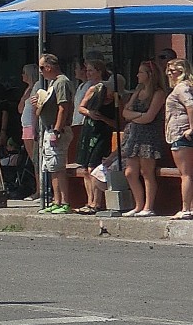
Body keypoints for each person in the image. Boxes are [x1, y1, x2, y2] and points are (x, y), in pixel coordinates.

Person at [120, 59, 169, 217]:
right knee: (130, 172)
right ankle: (138, 205)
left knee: (147, 172)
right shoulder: (138, 91)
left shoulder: (158, 93)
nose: (137, 75)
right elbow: (125, 113)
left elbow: (150, 117)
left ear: (150, 74)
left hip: (149, 135)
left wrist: (135, 116)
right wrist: (138, 116)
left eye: (141, 72)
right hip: (134, 135)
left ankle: (148, 207)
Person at [74, 58, 118, 214]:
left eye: (91, 70)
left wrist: (103, 118)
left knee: (95, 166)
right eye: (87, 70)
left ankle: (97, 203)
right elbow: (81, 108)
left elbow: (117, 121)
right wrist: (89, 113)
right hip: (89, 128)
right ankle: (89, 200)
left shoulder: (111, 91)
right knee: (85, 168)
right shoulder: (92, 89)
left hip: (102, 131)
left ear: (100, 71)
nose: (88, 73)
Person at [34, 53, 76, 214]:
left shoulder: (62, 82)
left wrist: (57, 130)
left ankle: (64, 202)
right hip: (48, 128)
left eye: (42, 68)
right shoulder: (53, 83)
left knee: (58, 167)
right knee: (51, 167)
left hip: (56, 129)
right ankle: (56, 200)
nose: (41, 71)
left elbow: (63, 107)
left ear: (49, 67)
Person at [163, 58, 193, 220]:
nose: (168, 73)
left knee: (186, 173)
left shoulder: (182, 87)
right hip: (180, 132)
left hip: (181, 133)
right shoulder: (188, 86)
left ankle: (186, 208)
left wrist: (191, 127)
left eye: (172, 70)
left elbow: (190, 105)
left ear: (181, 71)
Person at [17, 64, 41, 200]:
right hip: (26, 125)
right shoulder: (28, 89)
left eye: (24, 73)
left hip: (32, 125)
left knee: (36, 159)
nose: (22, 76)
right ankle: (37, 188)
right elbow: (20, 108)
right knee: (33, 160)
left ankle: (39, 190)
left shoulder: (37, 86)